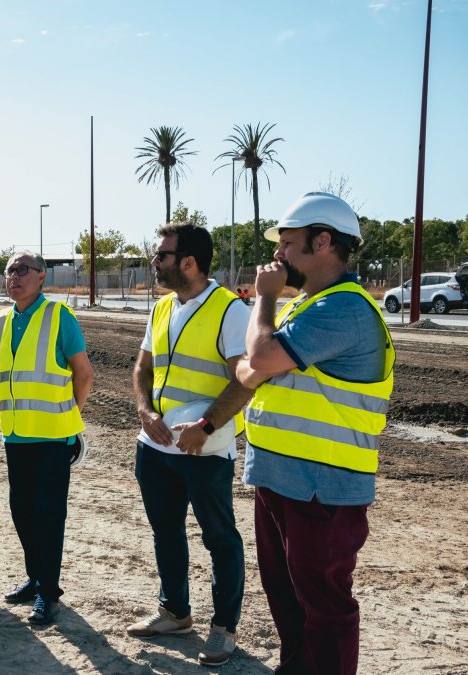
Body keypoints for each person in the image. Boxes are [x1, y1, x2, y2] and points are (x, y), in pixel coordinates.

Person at [235, 192, 394, 674]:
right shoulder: (306, 307)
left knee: (324, 606)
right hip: (281, 477)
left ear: (322, 241)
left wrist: (263, 298)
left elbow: (256, 363)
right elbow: (249, 373)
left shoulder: (343, 308)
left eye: (287, 243)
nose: (277, 256)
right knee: (287, 600)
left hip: (323, 487)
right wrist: (257, 361)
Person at [125, 223, 253, 667]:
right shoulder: (161, 308)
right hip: (155, 445)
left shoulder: (230, 311)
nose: (154, 262)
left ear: (189, 262)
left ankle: (224, 628)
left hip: (205, 450)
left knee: (219, 538)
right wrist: (145, 412)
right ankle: (175, 611)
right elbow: (142, 367)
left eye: (161, 255)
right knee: (166, 532)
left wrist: (208, 424)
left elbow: (246, 381)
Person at [0, 251, 94, 625]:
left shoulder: (59, 316)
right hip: (15, 435)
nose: (14, 276)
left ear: (41, 278)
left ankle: (48, 593)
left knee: (49, 516)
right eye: (9, 270)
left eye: (22, 270)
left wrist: (71, 416)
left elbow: (83, 374)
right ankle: (35, 578)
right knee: (22, 512)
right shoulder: (0, 320)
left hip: (52, 436)